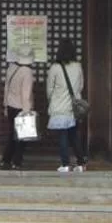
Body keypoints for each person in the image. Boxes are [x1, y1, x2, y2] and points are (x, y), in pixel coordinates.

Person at [46, 38, 86, 173]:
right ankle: (81, 164)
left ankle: (65, 164)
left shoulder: (55, 68)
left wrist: (52, 100)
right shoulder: (78, 66)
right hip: (74, 108)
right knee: (74, 135)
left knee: (62, 135)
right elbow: (81, 86)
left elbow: (49, 89)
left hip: (59, 106)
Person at [0, 45, 36, 170]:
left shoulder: (11, 68)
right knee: (22, 137)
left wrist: (5, 105)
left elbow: (6, 88)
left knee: (12, 135)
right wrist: (27, 112)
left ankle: (5, 160)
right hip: (21, 107)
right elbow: (26, 94)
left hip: (10, 105)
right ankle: (17, 162)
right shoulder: (27, 72)